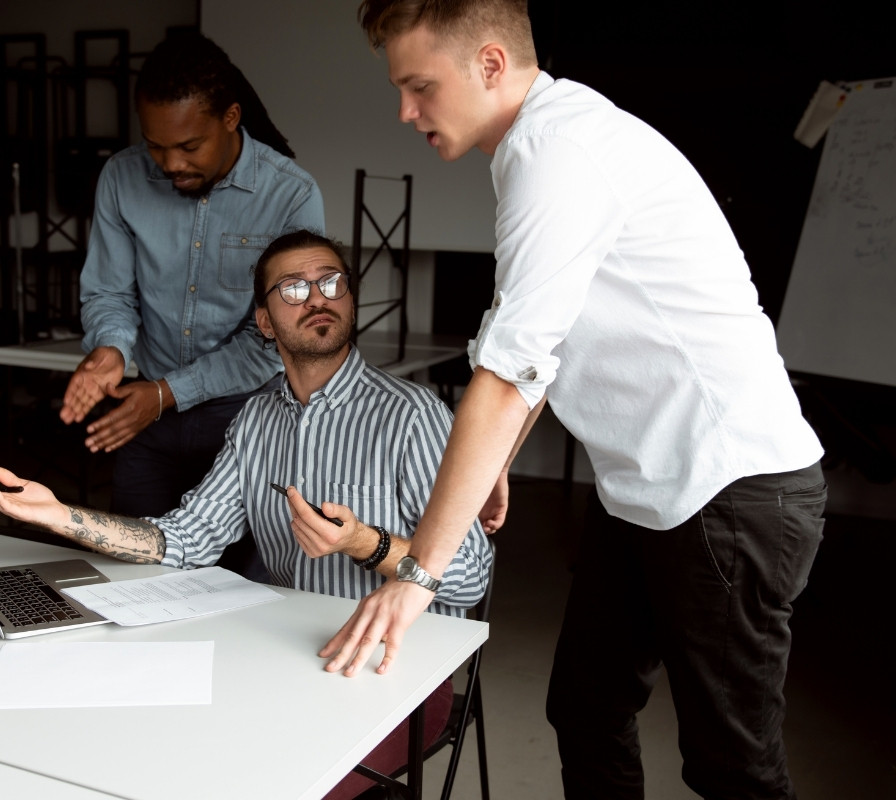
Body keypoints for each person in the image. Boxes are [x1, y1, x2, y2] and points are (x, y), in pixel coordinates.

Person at [332, 3, 829, 799]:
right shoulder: (541, 145)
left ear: (490, 64)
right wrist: (500, 457)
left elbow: (505, 376)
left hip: (729, 491)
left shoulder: (556, 151)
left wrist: (416, 575)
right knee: (587, 707)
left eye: (419, 86)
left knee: (732, 768)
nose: (405, 111)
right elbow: (537, 343)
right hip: (649, 491)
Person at [0, 230, 493, 800]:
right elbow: (184, 539)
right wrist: (61, 516)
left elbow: (472, 575)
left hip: (392, 674)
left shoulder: (413, 415)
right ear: (263, 322)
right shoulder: (256, 421)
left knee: (273, 780)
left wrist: (366, 543)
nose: (318, 298)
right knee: (159, 748)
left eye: (332, 282)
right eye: (294, 288)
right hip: (282, 652)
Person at [61, 32, 325, 533]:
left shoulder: (291, 195)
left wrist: (166, 393)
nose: (171, 164)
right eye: (156, 145)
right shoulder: (121, 177)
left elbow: (275, 339)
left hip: (247, 421)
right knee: (136, 574)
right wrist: (112, 350)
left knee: (242, 586)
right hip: (145, 419)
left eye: (189, 146)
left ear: (230, 118)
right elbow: (110, 292)